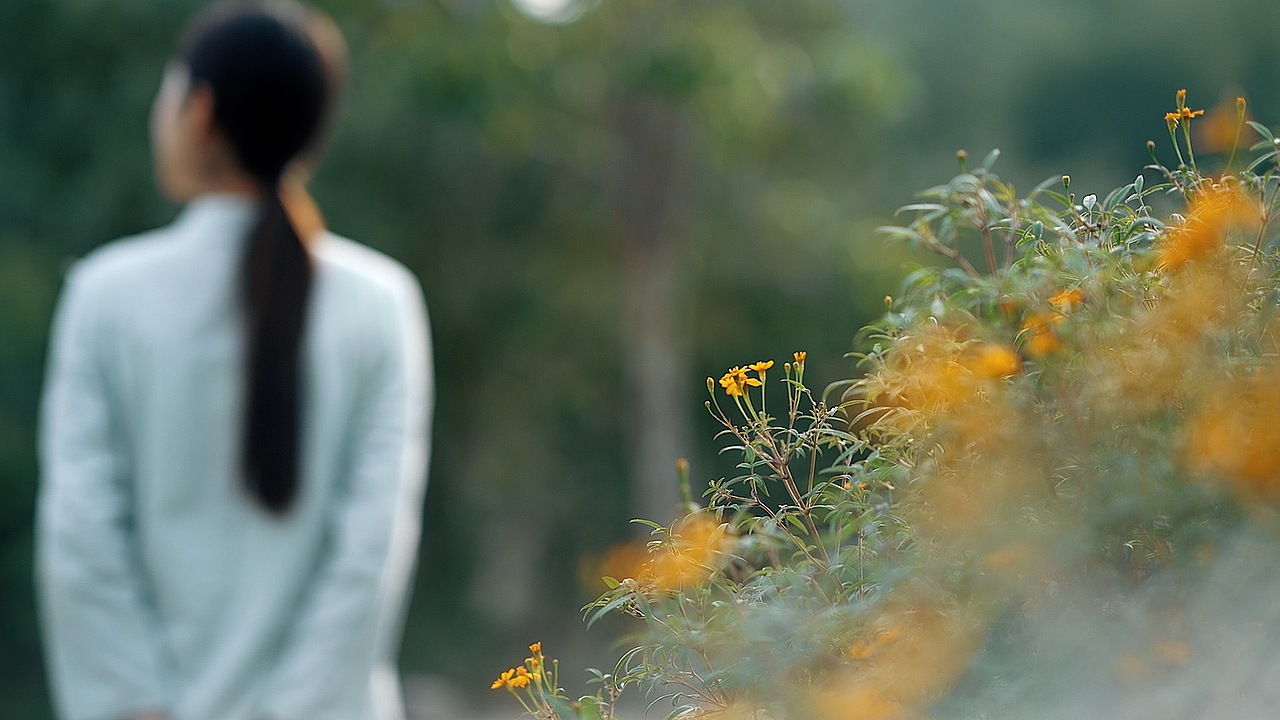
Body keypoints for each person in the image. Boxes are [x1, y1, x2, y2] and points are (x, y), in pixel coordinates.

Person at [35, 2, 432, 720]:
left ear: (198, 110)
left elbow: (81, 535)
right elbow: (370, 555)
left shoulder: (105, 295)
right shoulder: (383, 302)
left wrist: (140, 704)